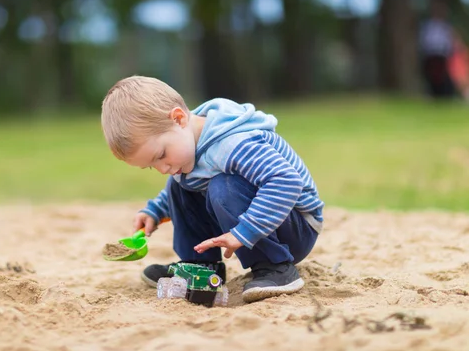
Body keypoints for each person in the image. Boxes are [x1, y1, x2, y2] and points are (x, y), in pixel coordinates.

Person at [100, 76, 324, 303]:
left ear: (178, 119)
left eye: (160, 156)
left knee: (222, 185)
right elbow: (190, 181)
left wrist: (244, 232)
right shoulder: (188, 143)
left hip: (294, 228)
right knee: (180, 181)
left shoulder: (233, 143)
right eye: (151, 165)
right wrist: (156, 211)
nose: (161, 168)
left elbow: (285, 181)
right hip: (261, 218)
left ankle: (275, 267)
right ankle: (200, 267)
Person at [418, 0, 457, 99]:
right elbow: (424, 40)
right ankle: (432, 94)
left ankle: (442, 95)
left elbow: (448, 41)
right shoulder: (427, 26)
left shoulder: (445, 27)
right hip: (431, 54)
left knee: (441, 77)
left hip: (441, 55)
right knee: (430, 76)